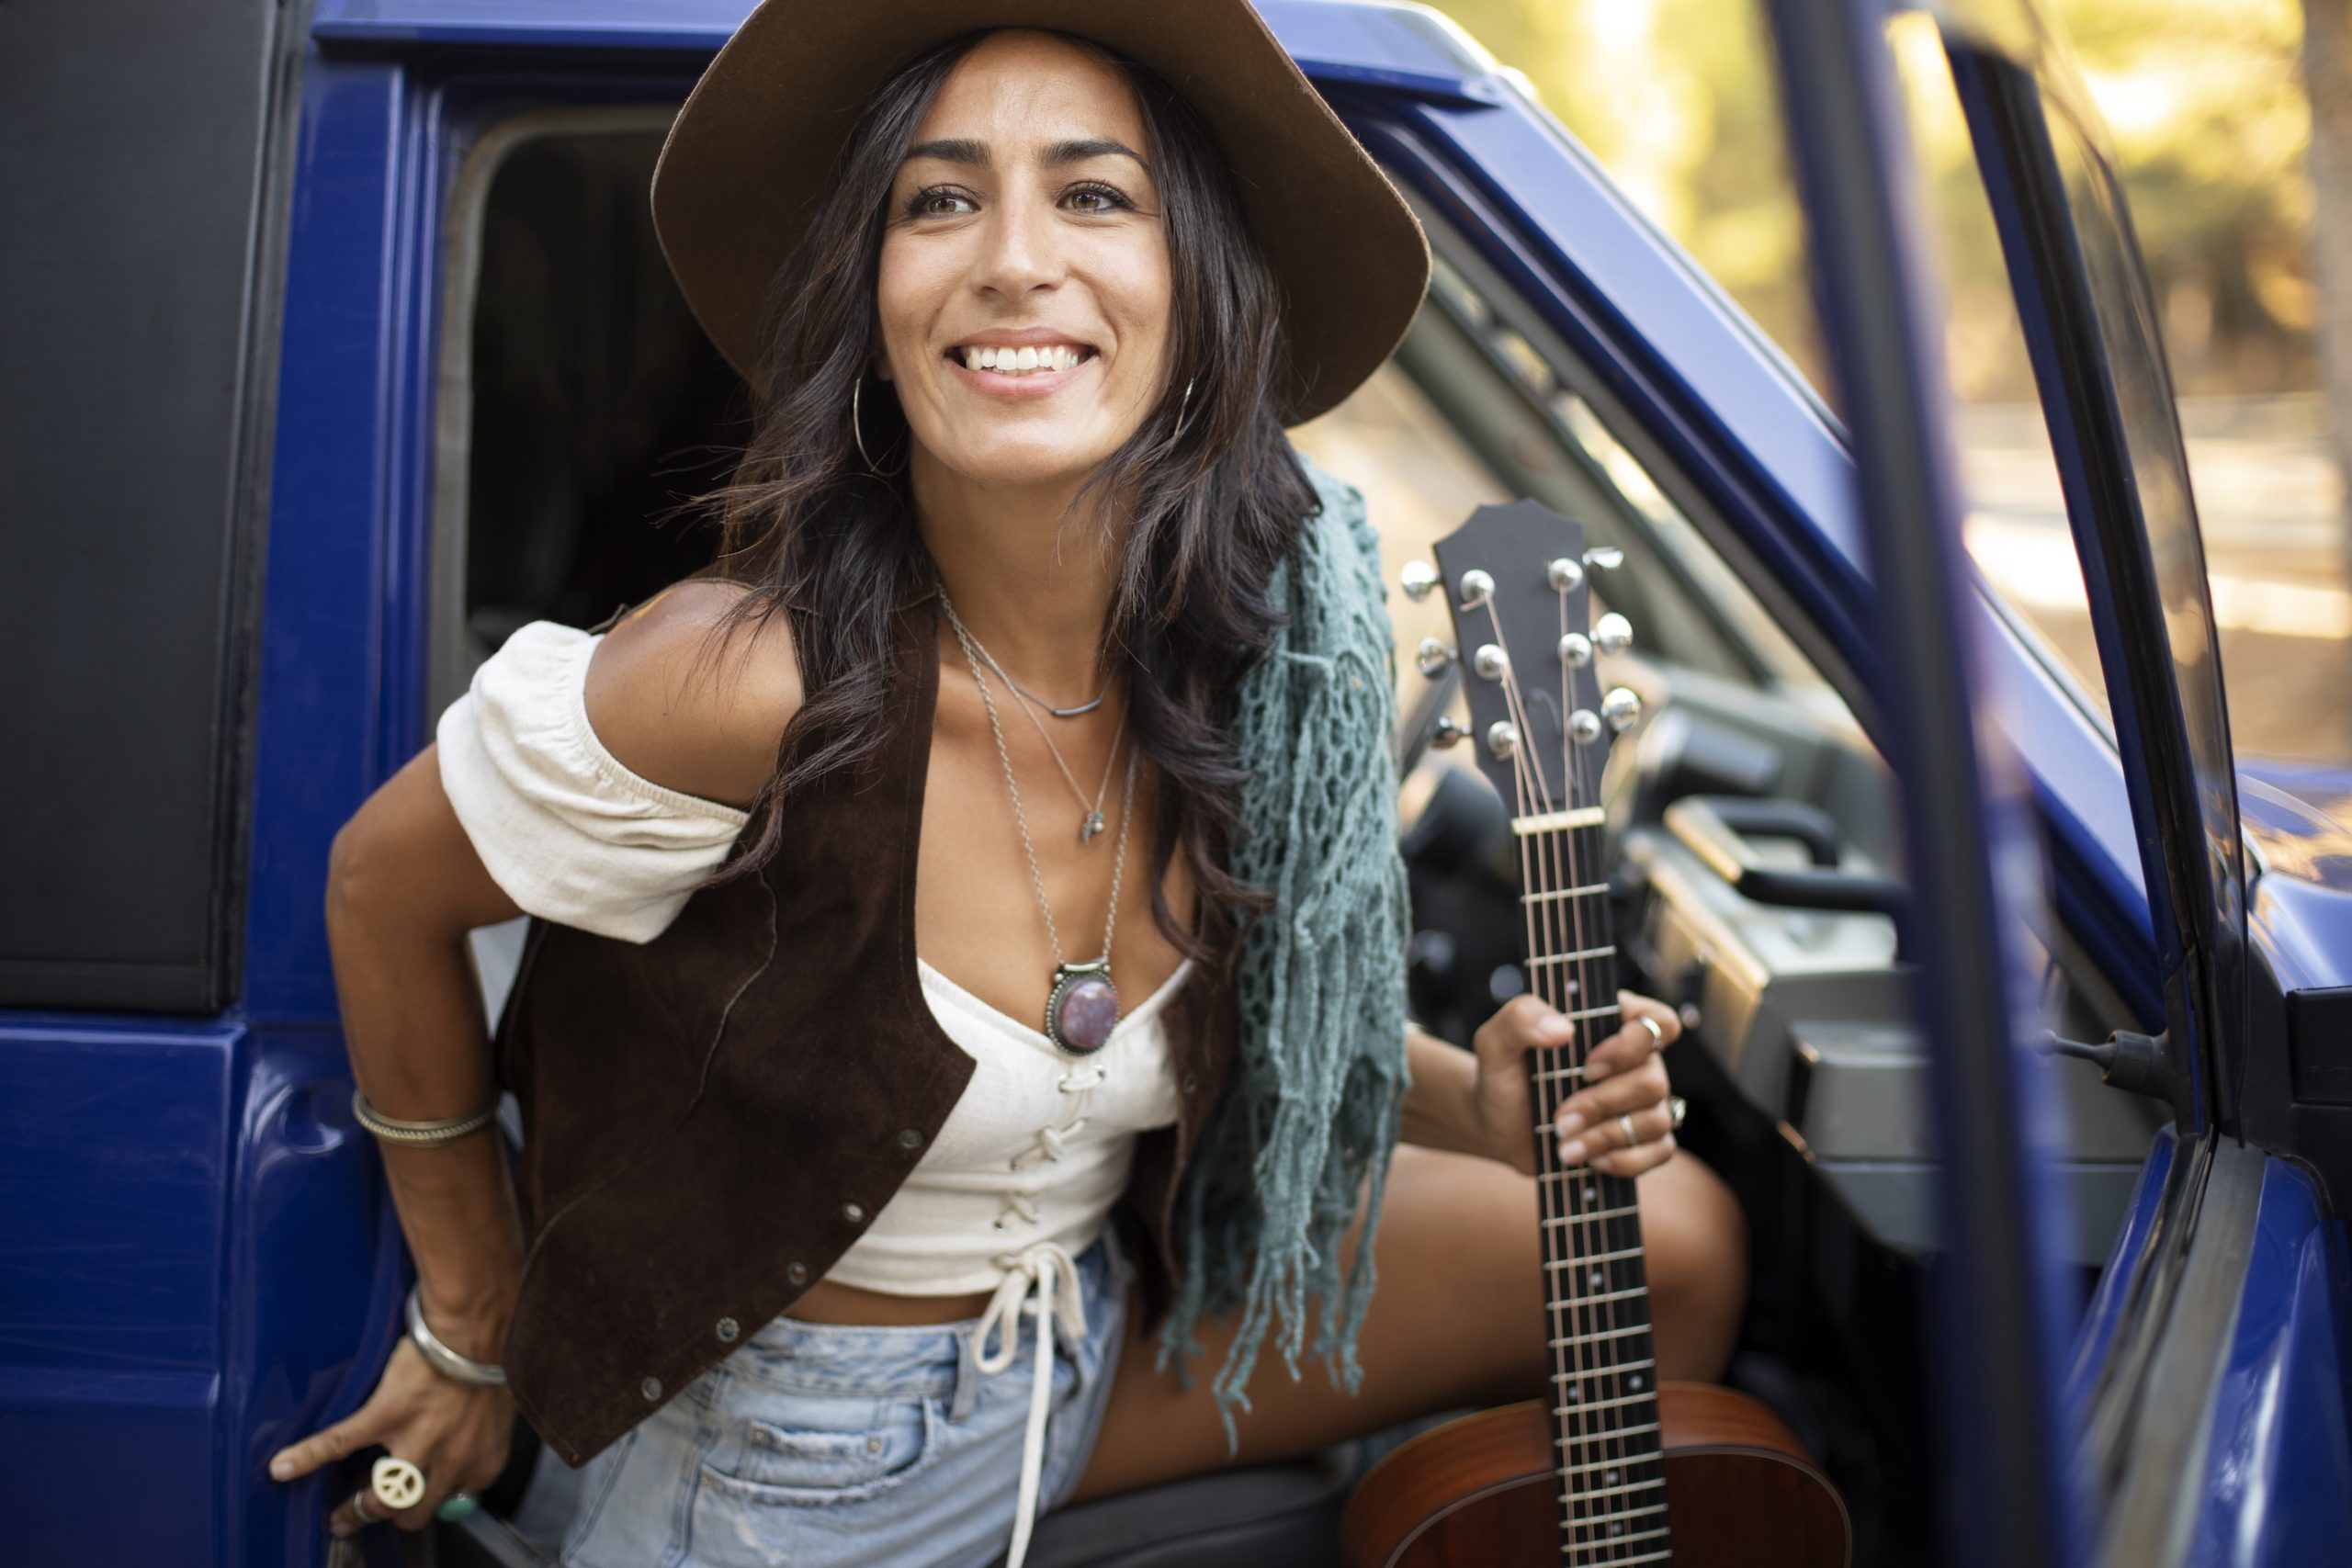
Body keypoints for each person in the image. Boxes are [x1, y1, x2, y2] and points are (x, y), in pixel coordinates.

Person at [266, 4, 1747, 1565]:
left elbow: (1227, 1007)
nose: (1014, 259)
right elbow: (380, 888)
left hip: (1082, 1339)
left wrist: (1484, 1099)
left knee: (1677, 1244)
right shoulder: (742, 683)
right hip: (792, 1458)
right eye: (939, 198)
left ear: (1201, 295)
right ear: (875, 297)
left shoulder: (1250, 670)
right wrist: (473, 1311)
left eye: (1096, 196)